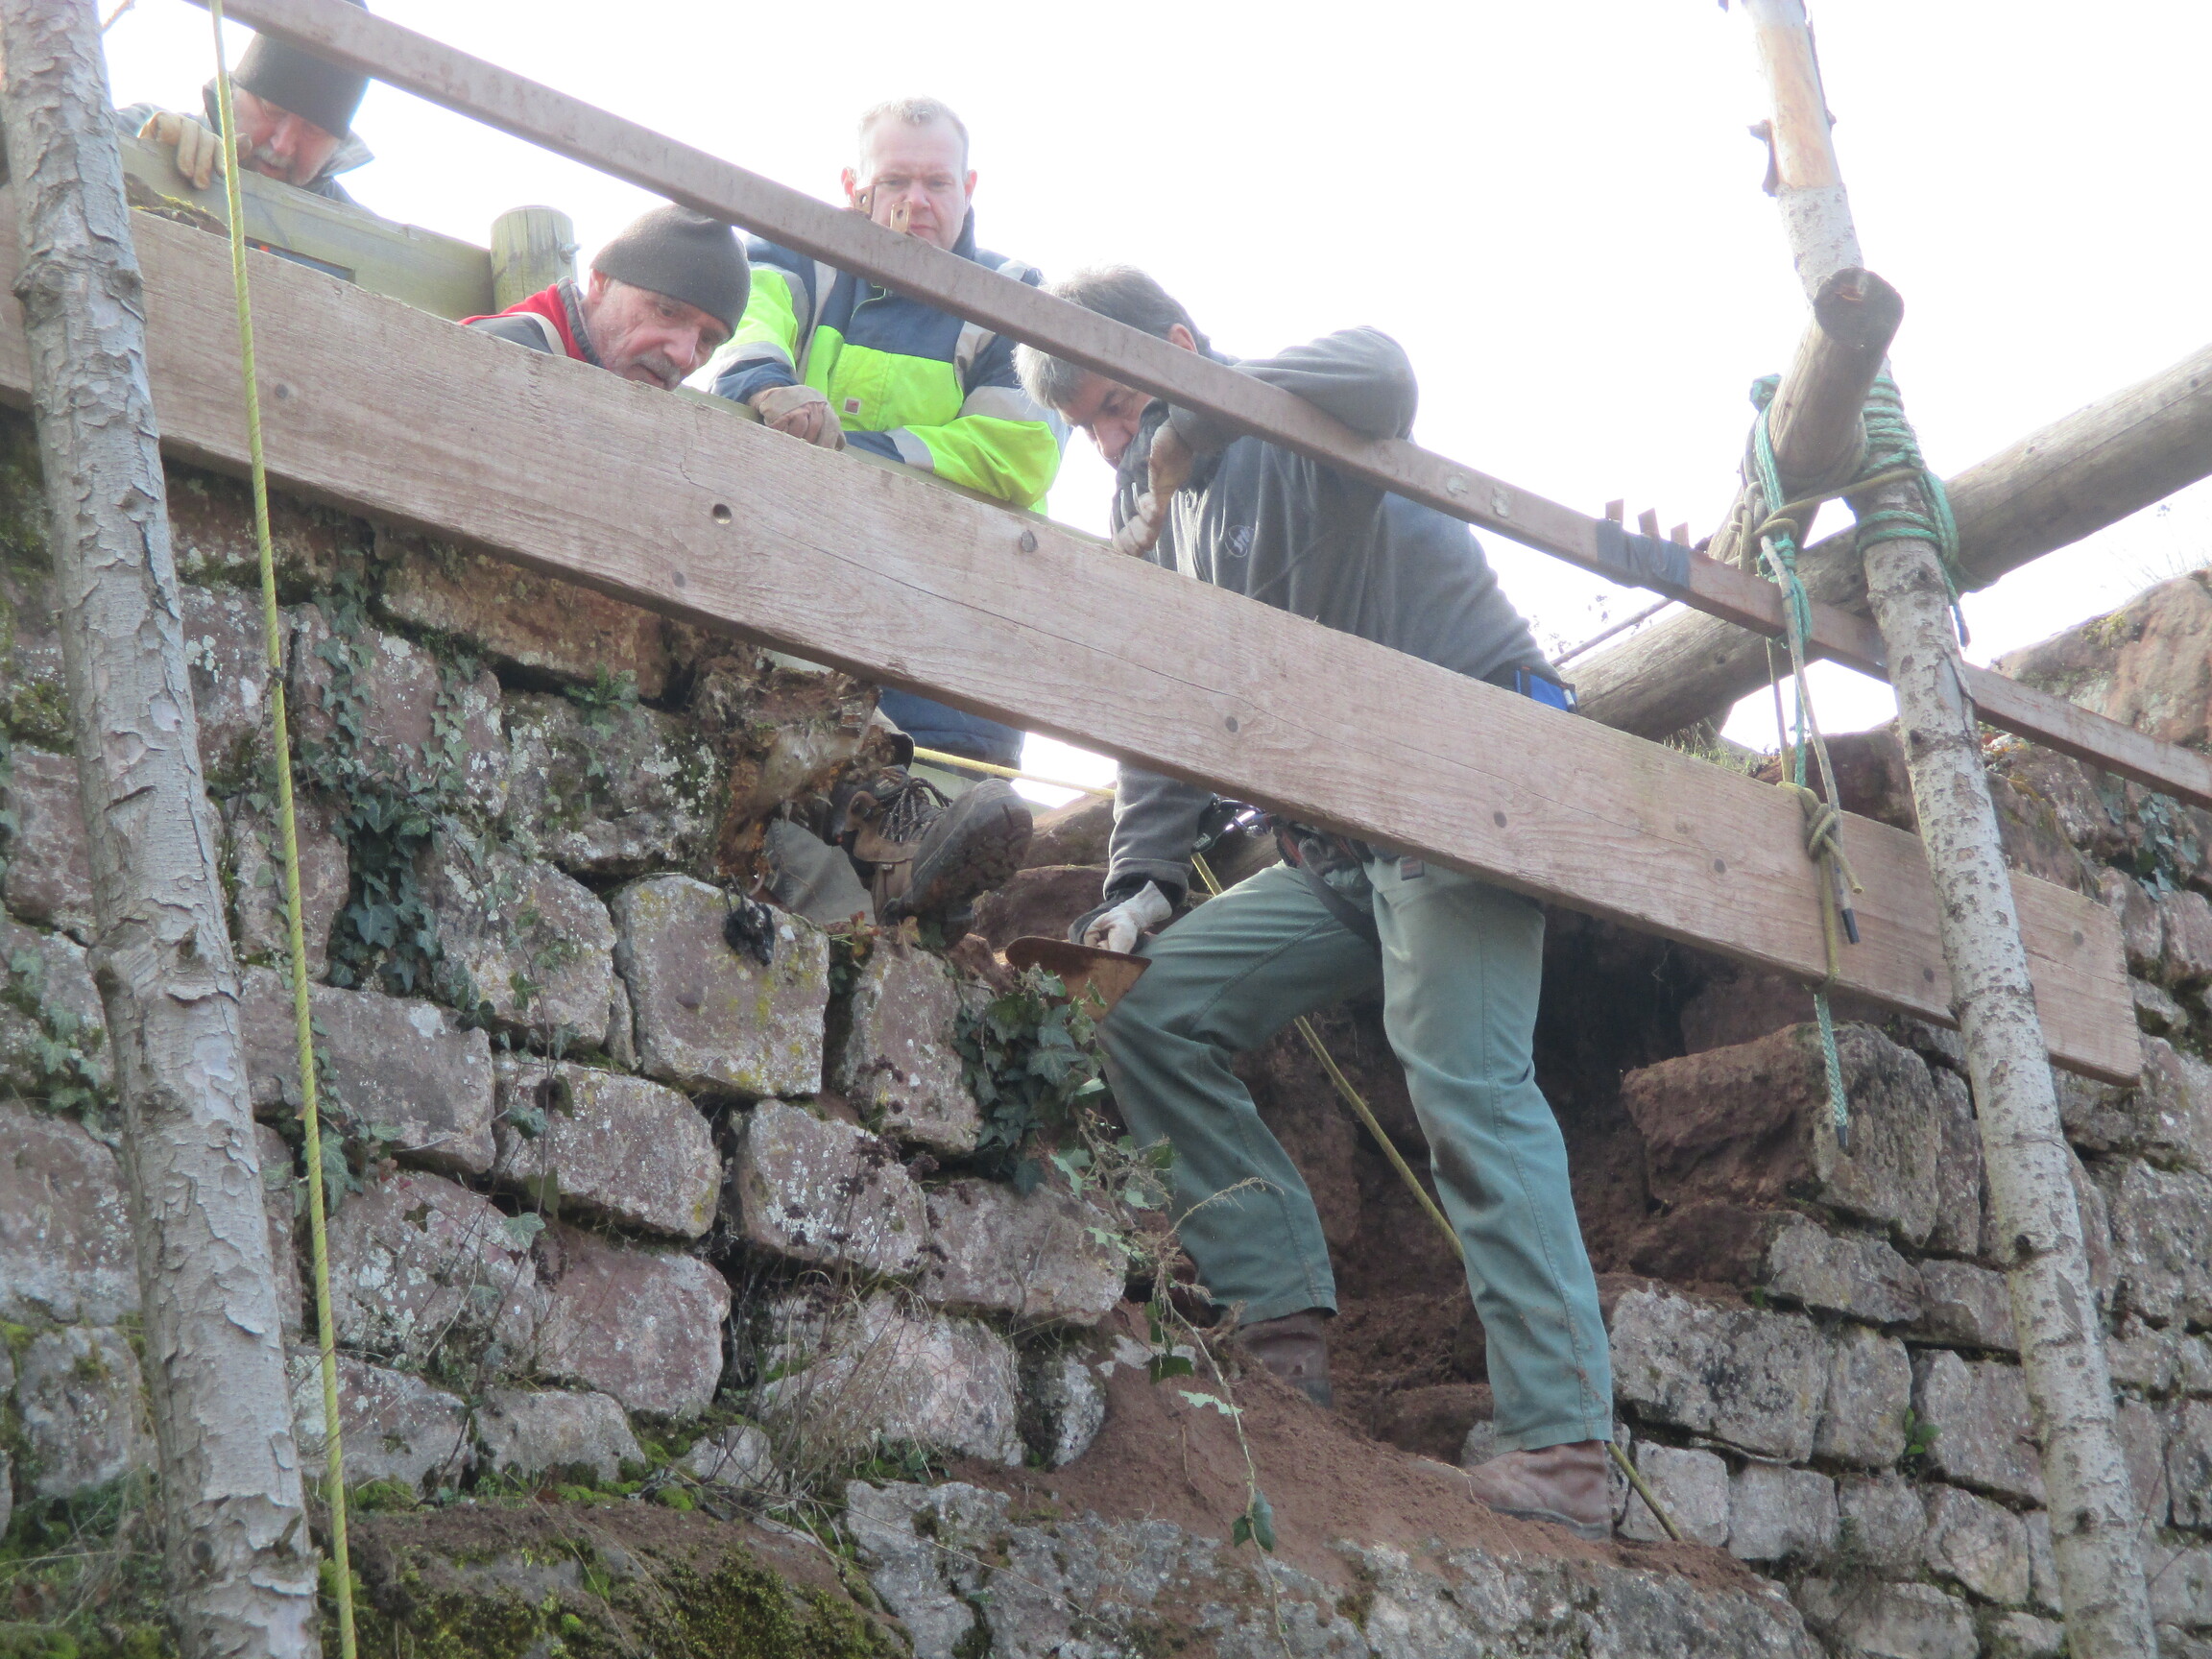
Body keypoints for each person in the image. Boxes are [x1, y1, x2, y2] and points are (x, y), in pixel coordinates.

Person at [1016, 268, 1618, 1541]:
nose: (1115, 445)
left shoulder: (1291, 417)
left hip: (1465, 795)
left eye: (1121, 405)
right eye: (1092, 429)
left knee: (1466, 1086)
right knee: (1151, 1014)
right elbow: (1171, 712)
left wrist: (1200, 412)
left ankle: (1563, 1445)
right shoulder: (1146, 511)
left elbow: (1383, 367)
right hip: (1343, 850)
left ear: (1180, 348)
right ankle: (1279, 1330)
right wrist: (1136, 889)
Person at [708, 96, 1063, 782]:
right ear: (853, 186)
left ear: (969, 188)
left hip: (954, 662)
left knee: (939, 824)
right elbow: (741, 332)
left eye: (937, 183)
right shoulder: (797, 253)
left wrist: (845, 452)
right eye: (895, 181)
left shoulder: (1018, 294)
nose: (915, 202)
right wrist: (767, 387)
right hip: (793, 621)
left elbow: (1017, 452)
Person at [462, 205, 746, 389]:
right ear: (601, 281)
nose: (684, 356)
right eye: (667, 312)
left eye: (708, 340)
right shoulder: (492, 355)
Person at [117, 0, 374, 202]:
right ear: (234, 93)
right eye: (272, 110)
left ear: (337, 144)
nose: (282, 146)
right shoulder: (134, 127)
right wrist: (143, 160)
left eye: (313, 129)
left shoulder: (366, 238)